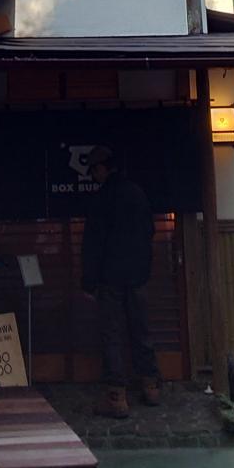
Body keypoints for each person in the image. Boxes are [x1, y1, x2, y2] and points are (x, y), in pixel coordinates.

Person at [79, 144, 160, 417]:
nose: (93, 175)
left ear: (102, 168)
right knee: (141, 329)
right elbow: (150, 230)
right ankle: (151, 387)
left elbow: (92, 244)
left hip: (110, 277)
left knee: (112, 333)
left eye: (93, 170)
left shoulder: (101, 199)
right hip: (138, 275)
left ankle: (117, 397)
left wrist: (89, 283)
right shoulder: (137, 193)